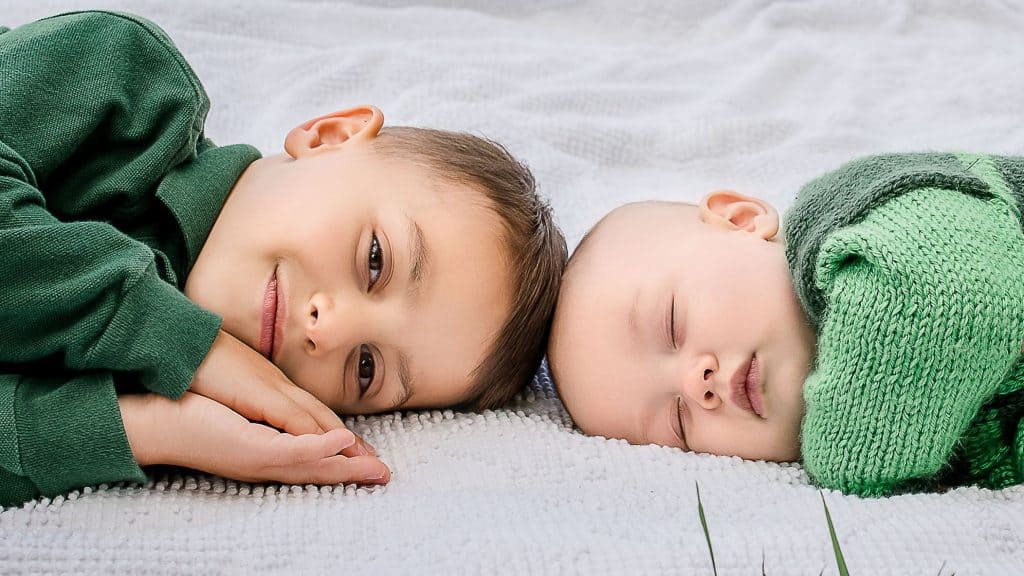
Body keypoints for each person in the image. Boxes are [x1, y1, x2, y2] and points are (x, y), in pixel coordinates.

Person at [0, 11, 567, 507]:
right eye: (375, 261)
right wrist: (190, 346)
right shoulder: (129, 81)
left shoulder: (152, 390)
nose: (333, 330)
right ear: (329, 135)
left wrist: (150, 431)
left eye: (366, 368)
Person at [549, 152, 1024, 496]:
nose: (698, 384)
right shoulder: (952, 437)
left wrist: (848, 466)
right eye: (678, 422)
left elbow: (944, 301)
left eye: (672, 326)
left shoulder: (851, 215)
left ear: (740, 219)